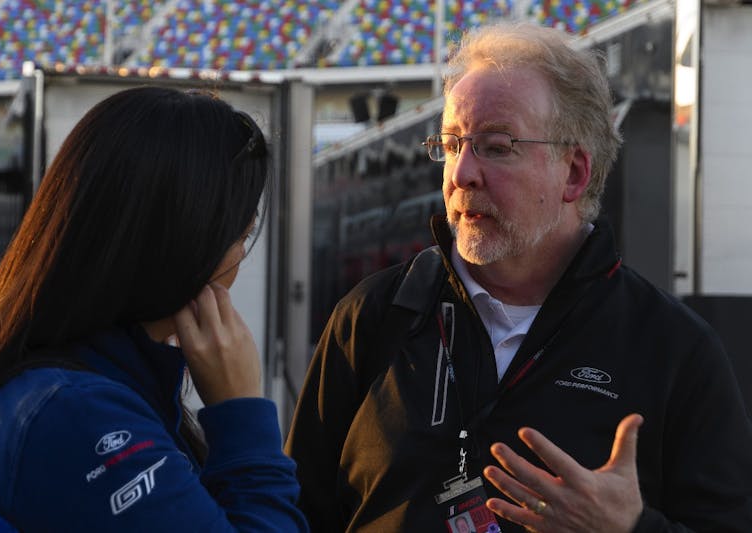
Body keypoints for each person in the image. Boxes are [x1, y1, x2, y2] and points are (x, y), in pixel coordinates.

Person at [285, 22, 752, 532]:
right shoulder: (372, 318)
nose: (461, 174)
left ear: (574, 173)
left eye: (496, 146)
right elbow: (295, 515)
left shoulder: (672, 349)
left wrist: (631, 529)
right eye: (452, 144)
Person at [0, 86, 308, 531]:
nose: (239, 258)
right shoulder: (78, 412)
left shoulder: (53, 381)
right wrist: (243, 415)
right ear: (189, 245)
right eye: (242, 236)